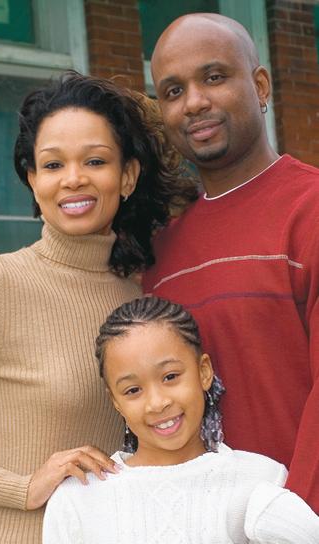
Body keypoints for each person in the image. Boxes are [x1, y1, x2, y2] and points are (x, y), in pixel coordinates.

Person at [0, 72, 195, 543]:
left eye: (95, 160)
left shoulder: (146, 294)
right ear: (33, 180)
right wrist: (21, 488)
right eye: (53, 165)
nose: (73, 179)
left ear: (128, 176)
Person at [143, 13, 319, 513]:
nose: (194, 102)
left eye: (214, 77)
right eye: (173, 91)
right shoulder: (160, 253)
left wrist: (291, 522)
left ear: (260, 86)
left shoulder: (309, 209)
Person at [43, 296, 319, 543]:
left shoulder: (260, 480)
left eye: (170, 377)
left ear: (204, 372)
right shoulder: (78, 497)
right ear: (115, 400)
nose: (157, 403)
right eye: (133, 390)